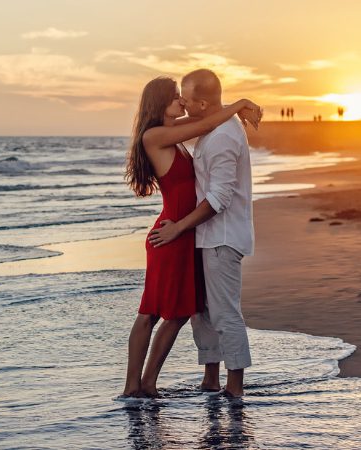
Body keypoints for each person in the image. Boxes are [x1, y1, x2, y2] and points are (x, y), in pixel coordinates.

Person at [122, 76, 261, 397]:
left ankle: (147, 385)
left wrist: (230, 107)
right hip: (171, 232)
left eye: (183, 98)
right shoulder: (156, 135)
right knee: (152, 312)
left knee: (181, 312)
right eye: (175, 98)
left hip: (185, 232)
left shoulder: (172, 132)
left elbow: (204, 116)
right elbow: (203, 122)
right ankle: (134, 387)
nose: (181, 103)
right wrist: (239, 104)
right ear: (160, 104)